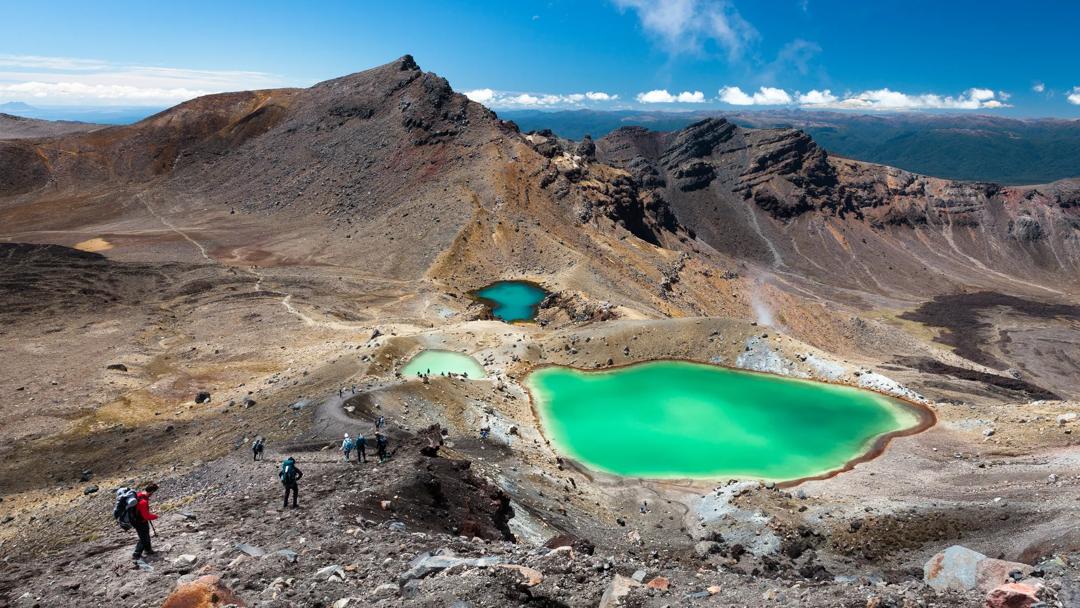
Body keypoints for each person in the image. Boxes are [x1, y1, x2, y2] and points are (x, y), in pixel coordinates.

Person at [132, 483, 159, 563]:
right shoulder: (143, 501)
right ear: (151, 491)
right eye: (153, 492)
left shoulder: (139, 494)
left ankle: (148, 550)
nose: (152, 494)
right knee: (143, 538)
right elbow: (146, 516)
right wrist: (155, 516)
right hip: (140, 521)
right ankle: (136, 554)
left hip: (137, 520)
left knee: (146, 534)